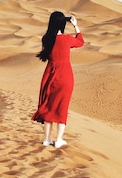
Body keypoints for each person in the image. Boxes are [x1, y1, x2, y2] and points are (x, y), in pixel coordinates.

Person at [32, 11, 84, 148]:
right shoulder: (66, 39)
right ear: (63, 24)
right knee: (62, 107)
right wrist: (75, 26)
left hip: (49, 76)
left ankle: (47, 139)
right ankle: (59, 140)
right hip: (65, 76)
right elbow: (80, 42)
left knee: (48, 107)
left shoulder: (45, 38)